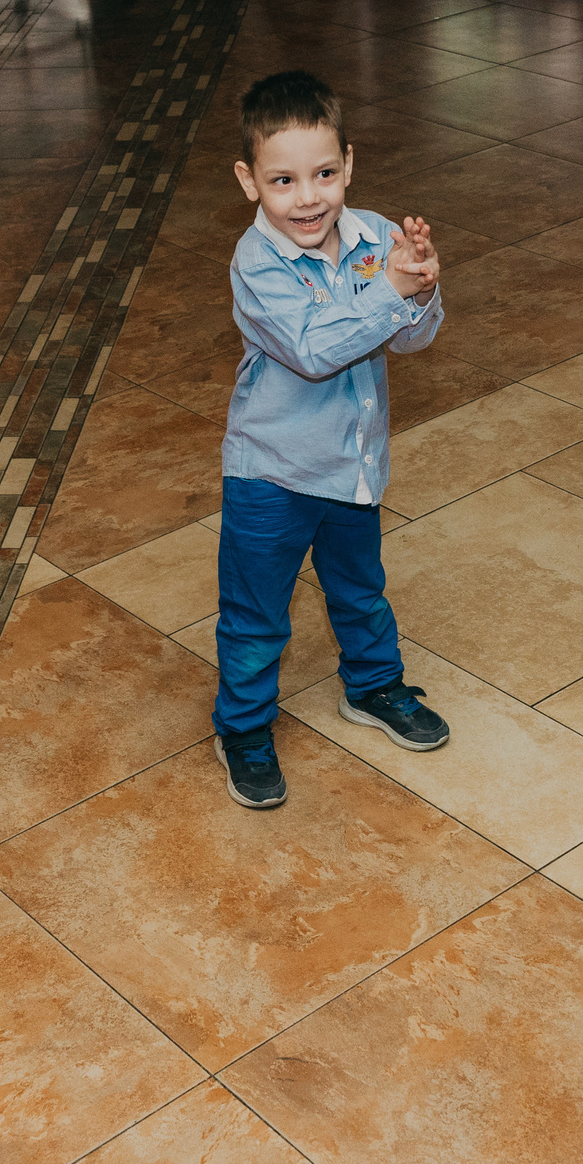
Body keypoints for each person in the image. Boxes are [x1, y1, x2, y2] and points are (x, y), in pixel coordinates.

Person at [213, 71, 453, 810]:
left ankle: (373, 685)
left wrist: (420, 290)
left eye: (323, 174)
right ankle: (243, 726)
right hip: (270, 475)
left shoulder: (376, 236)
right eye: (283, 181)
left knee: (360, 589)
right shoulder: (257, 264)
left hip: (352, 466)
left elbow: (410, 340)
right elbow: (315, 350)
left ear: (348, 163)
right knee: (256, 616)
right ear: (249, 181)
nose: (308, 198)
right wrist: (390, 294)